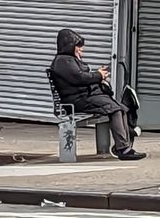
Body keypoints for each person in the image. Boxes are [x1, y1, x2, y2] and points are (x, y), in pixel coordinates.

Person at [50, 28, 146, 161]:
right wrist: (98, 75)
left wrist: (99, 76)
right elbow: (79, 78)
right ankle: (123, 147)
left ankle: (125, 141)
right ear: (69, 46)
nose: (81, 49)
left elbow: (81, 77)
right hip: (78, 100)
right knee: (115, 109)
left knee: (121, 108)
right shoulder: (64, 61)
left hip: (85, 97)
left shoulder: (69, 60)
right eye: (78, 46)